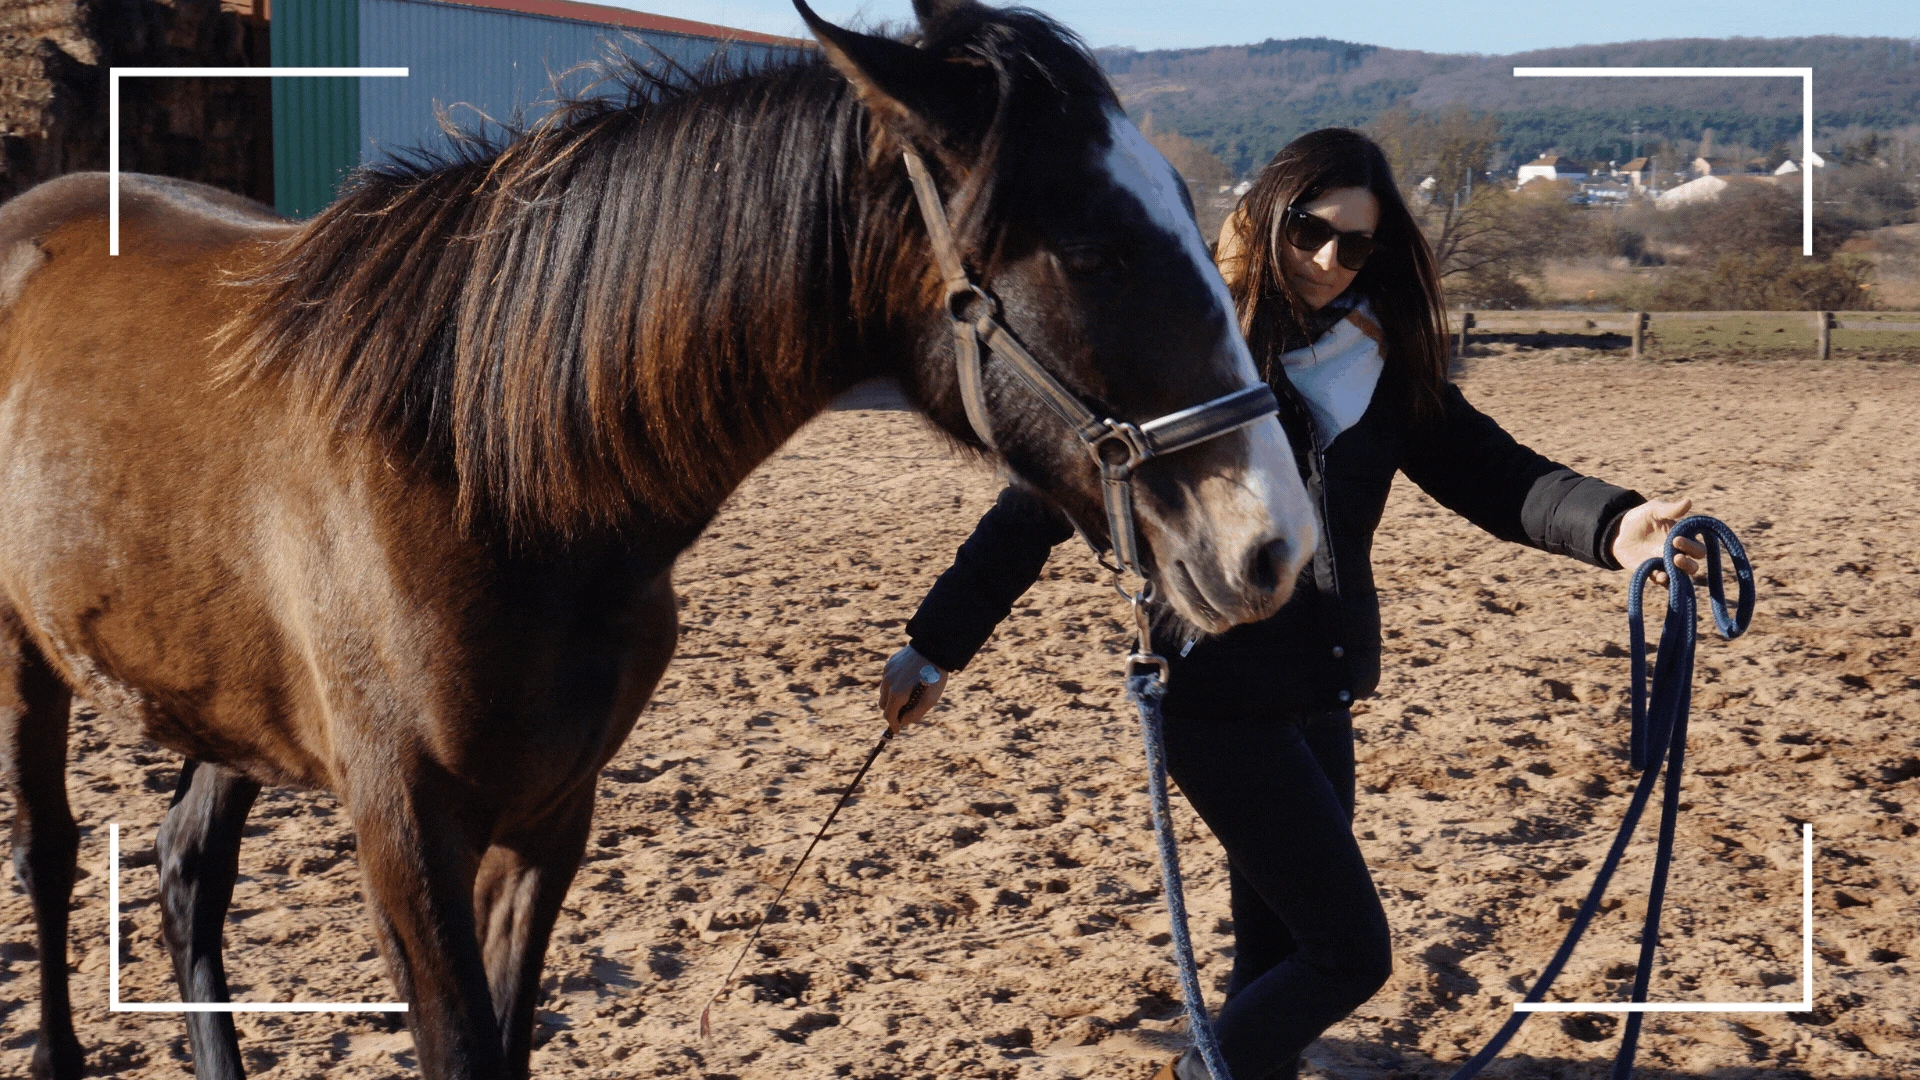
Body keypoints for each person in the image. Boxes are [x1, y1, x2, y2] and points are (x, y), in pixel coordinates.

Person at [876, 128, 1706, 1080]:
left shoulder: (1379, 362)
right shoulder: (1186, 353)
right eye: (1312, 231)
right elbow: (1034, 512)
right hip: (1214, 697)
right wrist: (935, 645)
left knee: (1274, 965)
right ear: (1268, 215)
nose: (1327, 261)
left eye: (1357, 246)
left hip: (1322, 694)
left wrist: (1617, 528)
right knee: (1348, 953)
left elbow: (1495, 474)